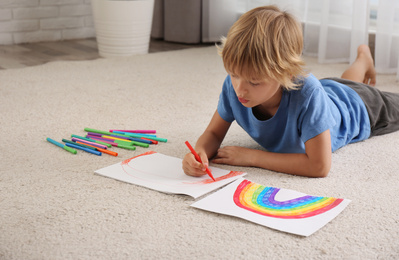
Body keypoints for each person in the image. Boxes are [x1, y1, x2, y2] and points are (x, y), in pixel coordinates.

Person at [182, 5, 399, 178]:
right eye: (233, 74)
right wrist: (199, 152)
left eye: (255, 82)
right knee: (344, 83)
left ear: (286, 74)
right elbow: (213, 133)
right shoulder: (235, 87)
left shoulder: (308, 95)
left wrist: (252, 157)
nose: (240, 88)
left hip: (361, 107)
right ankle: (363, 59)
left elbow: (319, 166)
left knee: (352, 89)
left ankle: (362, 60)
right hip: (330, 92)